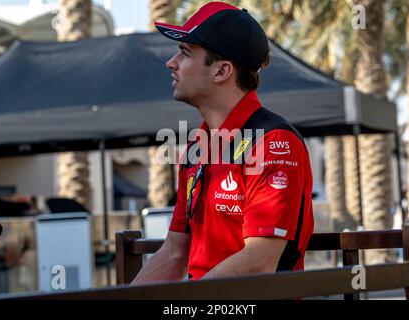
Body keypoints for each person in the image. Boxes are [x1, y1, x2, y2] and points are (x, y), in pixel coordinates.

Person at [131, 1, 314, 284]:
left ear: (221, 71)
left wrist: (190, 303)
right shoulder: (197, 148)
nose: (171, 62)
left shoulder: (274, 143)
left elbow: (260, 260)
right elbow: (174, 253)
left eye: (184, 53)